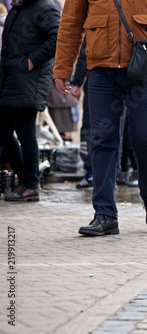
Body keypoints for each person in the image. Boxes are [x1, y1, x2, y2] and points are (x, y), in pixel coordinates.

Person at [54, 0, 147, 235]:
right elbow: (71, 21)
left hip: (145, 61)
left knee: (144, 138)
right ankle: (105, 214)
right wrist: (63, 68)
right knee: (102, 140)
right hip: (101, 67)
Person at [0, 0, 60, 202]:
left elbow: (57, 38)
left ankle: (30, 184)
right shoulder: (18, 9)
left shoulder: (45, 7)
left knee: (25, 132)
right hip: (11, 79)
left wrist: (32, 60)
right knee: (3, 130)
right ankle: (23, 176)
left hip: (30, 81)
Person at [72, 38, 93, 189]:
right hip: (129, 79)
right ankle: (116, 173)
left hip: (97, 81)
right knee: (117, 131)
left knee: (89, 128)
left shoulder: (95, 18)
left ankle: (91, 173)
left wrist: (77, 83)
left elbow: (84, 54)